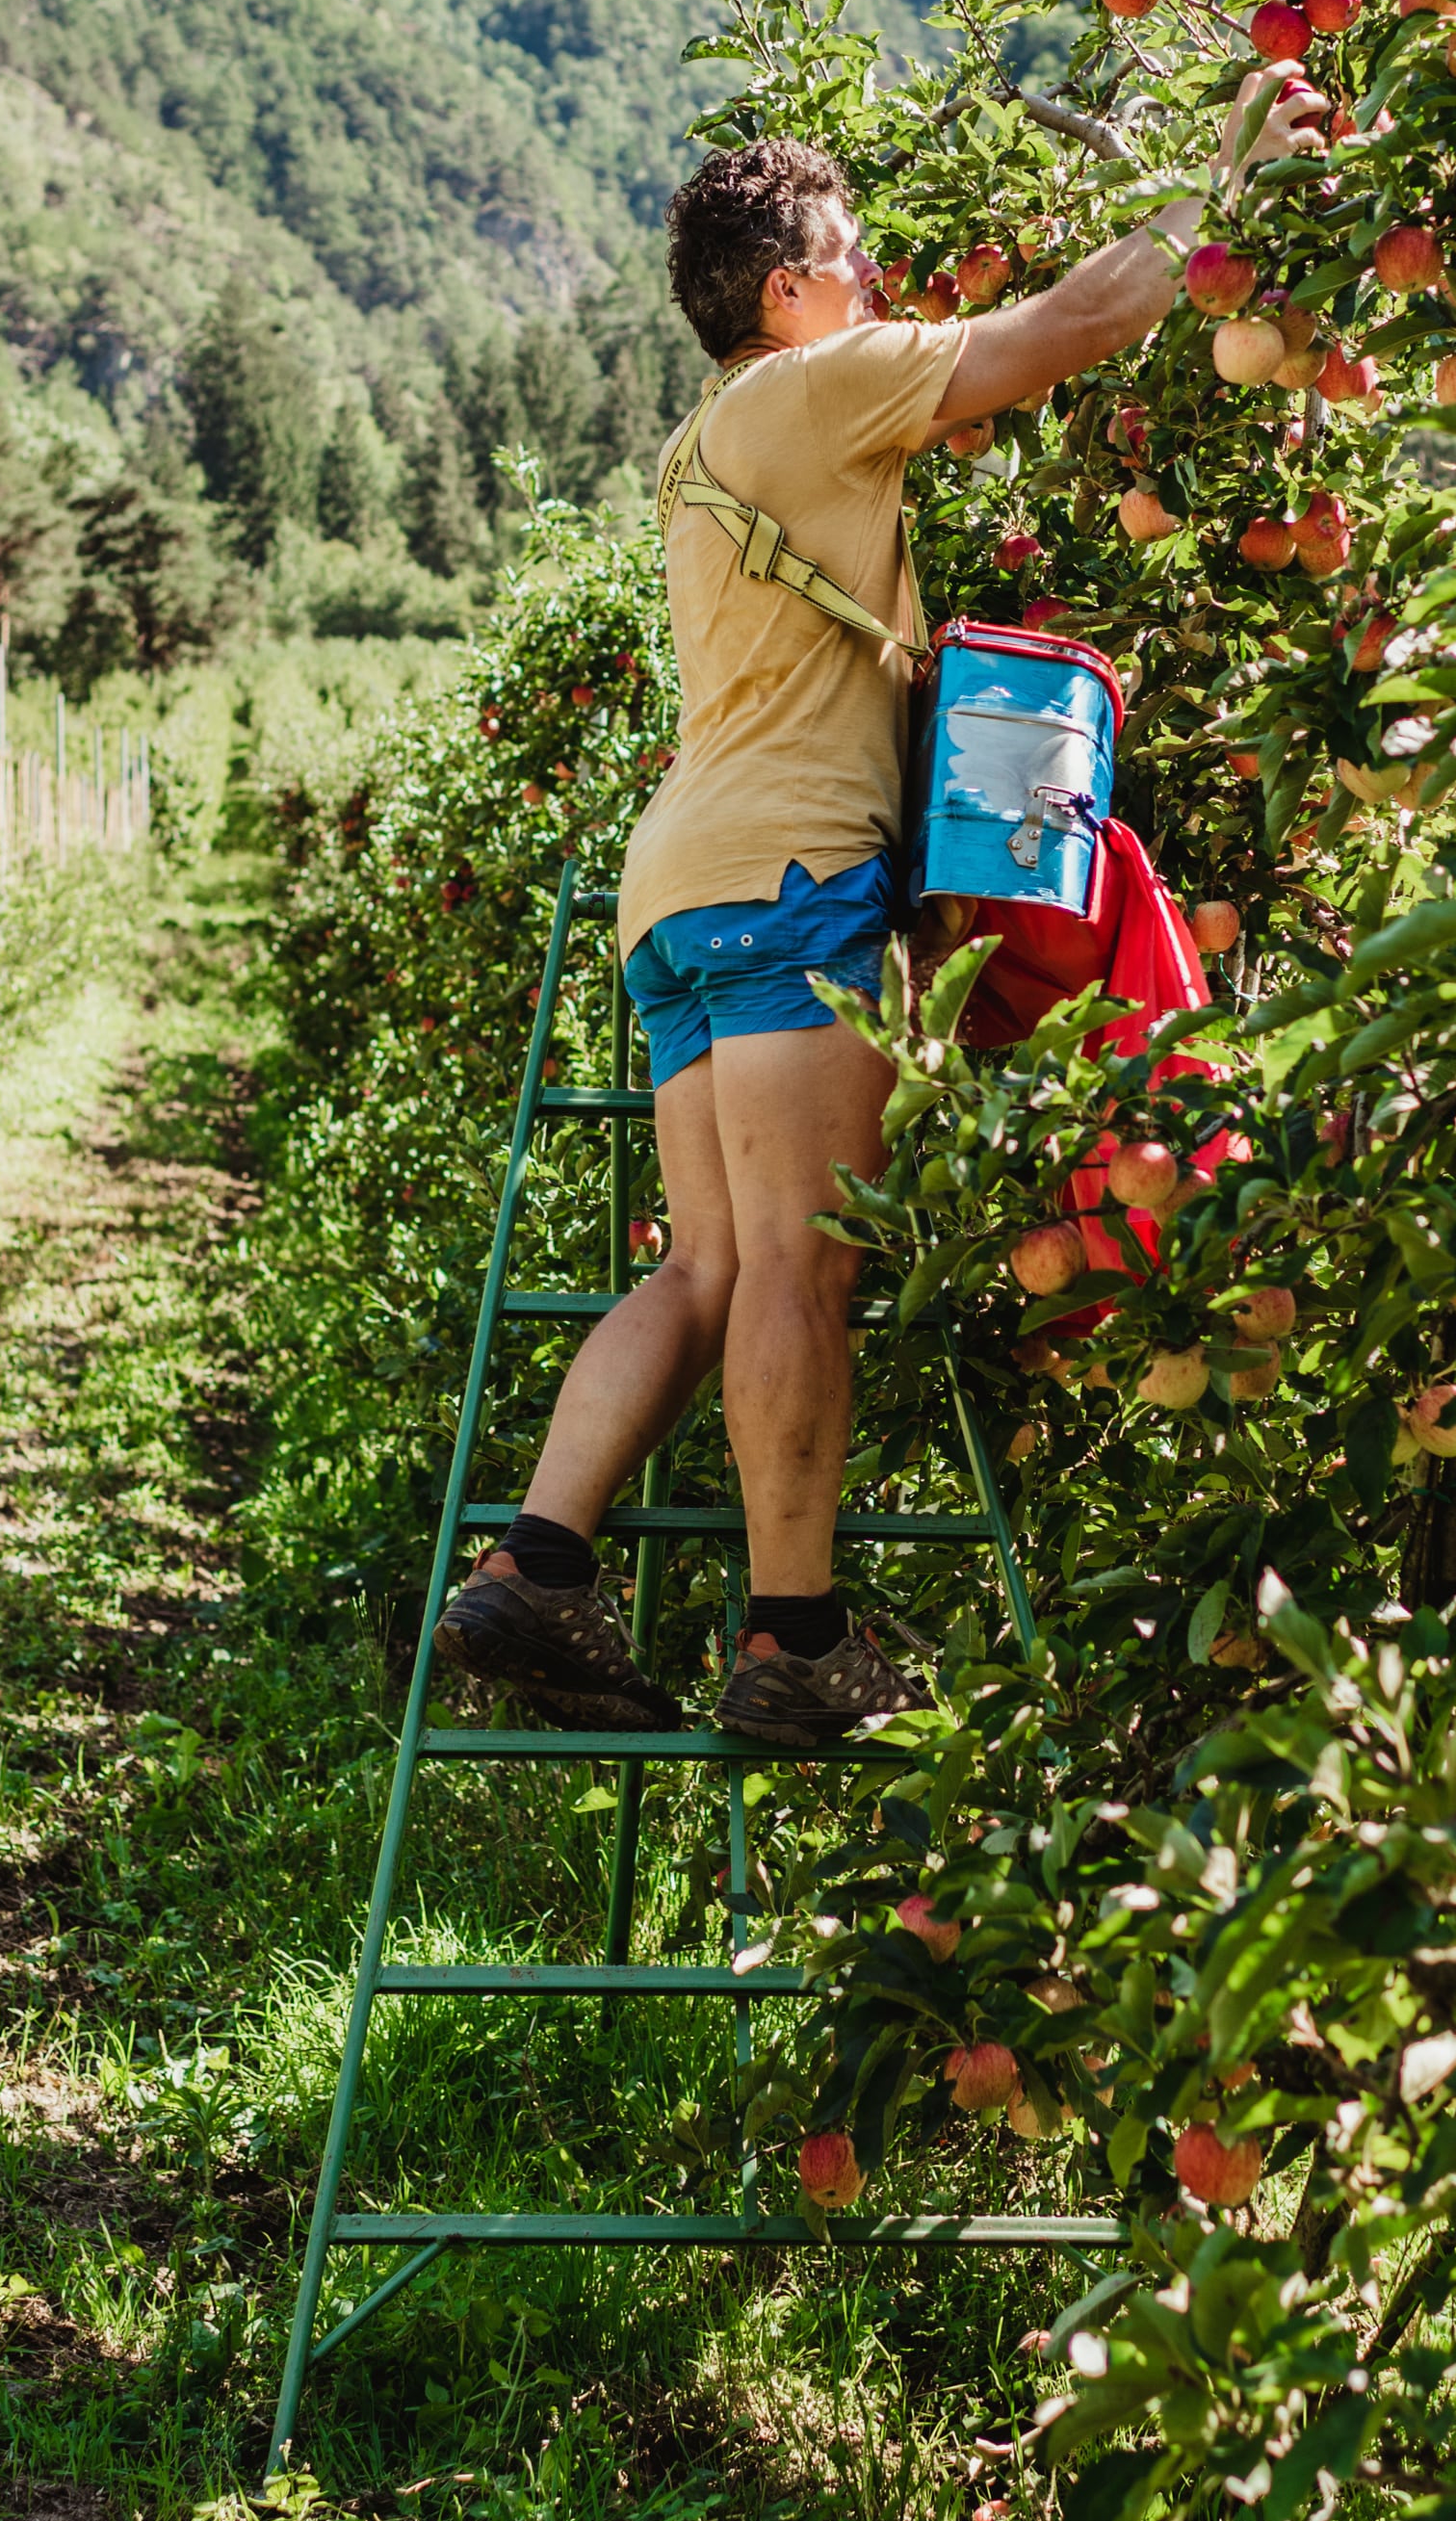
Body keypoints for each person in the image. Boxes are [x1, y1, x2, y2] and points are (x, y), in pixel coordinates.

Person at [433, 93, 1285, 1749]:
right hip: (789, 882)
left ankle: (537, 1566)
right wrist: (1227, 176)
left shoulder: (702, 449)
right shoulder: (813, 393)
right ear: (784, 292)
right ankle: (796, 1636)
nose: (879, 275)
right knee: (801, 1268)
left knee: (707, 1266)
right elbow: (1074, 326)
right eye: (848, 254)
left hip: (678, 889)